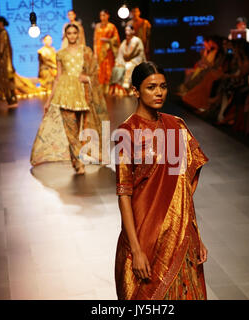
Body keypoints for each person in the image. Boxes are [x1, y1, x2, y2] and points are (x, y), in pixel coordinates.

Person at [114, 62, 209, 300]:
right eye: (151, 87)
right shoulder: (127, 133)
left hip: (179, 234)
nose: (159, 93)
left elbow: (183, 189)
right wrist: (135, 250)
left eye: (163, 87)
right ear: (136, 91)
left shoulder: (176, 126)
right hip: (144, 237)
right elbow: (124, 193)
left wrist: (196, 235)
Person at [31, 24, 108, 174]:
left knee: (79, 129)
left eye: (74, 33)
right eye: (69, 33)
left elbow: (93, 71)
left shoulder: (86, 51)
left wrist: (88, 78)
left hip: (81, 92)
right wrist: (48, 100)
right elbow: (58, 77)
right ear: (66, 35)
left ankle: (75, 159)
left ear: (78, 34)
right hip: (64, 92)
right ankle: (79, 162)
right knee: (70, 130)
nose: (72, 36)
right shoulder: (60, 54)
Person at [109, 25, 146, 97]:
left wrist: (131, 61)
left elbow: (140, 54)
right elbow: (120, 54)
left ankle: (129, 89)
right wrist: (120, 62)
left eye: (129, 30)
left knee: (128, 67)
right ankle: (119, 91)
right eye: (126, 30)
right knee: (117, 68)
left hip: (135, 61)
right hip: (125, 62)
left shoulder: (137, 40)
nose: (127, 32)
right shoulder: (124, 42)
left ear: (133, 31)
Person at [94, 9, 120, 93]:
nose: (102, 17)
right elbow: (95, 40)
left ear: (108, 16)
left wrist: (108, 40)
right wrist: (95, 52)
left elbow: (116, 39)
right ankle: (101, 90)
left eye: (104, 15)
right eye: (101, 15)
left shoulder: (111, 26)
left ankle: (109, 90)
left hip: (108, 51)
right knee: (100, 70)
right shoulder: (97, 26)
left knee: (108, 69)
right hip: (99, 50)